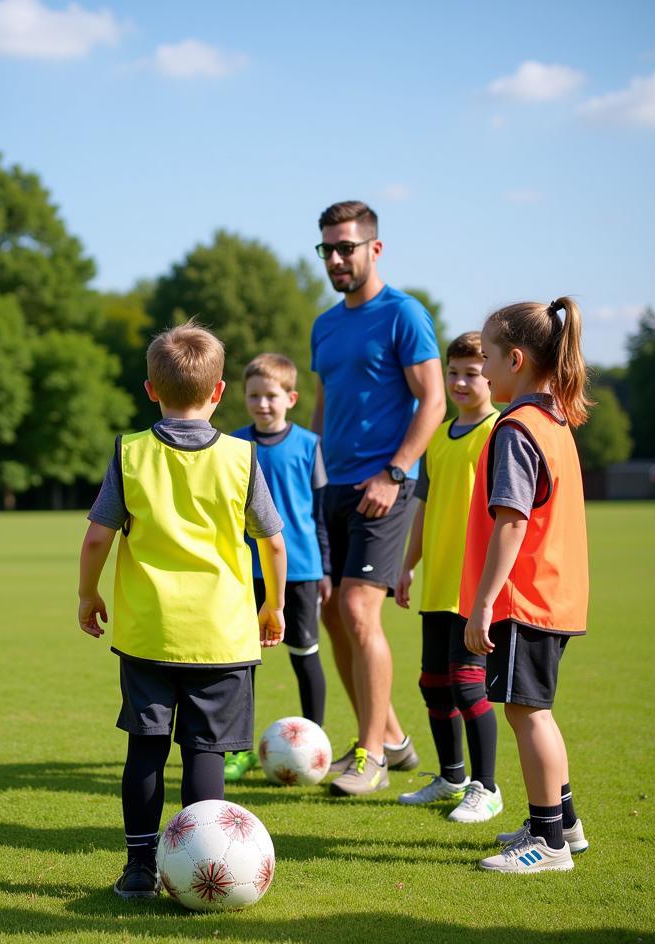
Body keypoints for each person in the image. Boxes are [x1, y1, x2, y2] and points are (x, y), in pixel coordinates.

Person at [78, 322, 287, 900]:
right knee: (204, 751)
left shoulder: (131, 453)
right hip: (222, 635)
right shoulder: (243, 458)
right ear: (219, 392)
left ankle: (140, 869)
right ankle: (199, 869)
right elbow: (272, 541)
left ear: (151, 389)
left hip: (150, 633)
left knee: (145, 749)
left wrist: (87, 594)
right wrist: (274, 605)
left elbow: (97, 538)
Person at [310, 201, 446, 796]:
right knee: (331, 612)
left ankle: (372, 757)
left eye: (347, 248)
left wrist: (394, 473)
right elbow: (322, 407)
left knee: (361, 611)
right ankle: (389, 736)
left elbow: (434, 400)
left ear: (375, 248)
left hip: (384, 486)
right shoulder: (325, 324)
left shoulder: (404, 314)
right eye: (328, 250)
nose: (337, 259)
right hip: (332, 487)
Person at [462, 297, 591, 873]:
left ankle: (549, 845)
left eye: (487, 357)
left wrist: (484, 603)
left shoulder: (517, 428)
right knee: (534, 709)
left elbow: (512, 521)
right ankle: (562, 822)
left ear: (515, 359)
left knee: (525, 712)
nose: (482, 370)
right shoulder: (555, 417)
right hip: (553, 593)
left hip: (523, 596)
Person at [395, 332, 502, 822]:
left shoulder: (500, 432)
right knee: (432, 683)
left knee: (467, 684)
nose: (460, 381)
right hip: (437, 582)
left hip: (476, 585)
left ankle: (487, 787)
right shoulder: (437, 436)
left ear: (491, 376)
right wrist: (407, 563)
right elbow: (423, 507)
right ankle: (451, 776)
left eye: (472, 373)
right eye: (453, 372)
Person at [225, 354, 331, 782]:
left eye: (271, 396)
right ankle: (238, 750)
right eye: (254, 395)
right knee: (240, 662)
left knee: (304, 654)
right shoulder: (233, 445)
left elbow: (319, 514)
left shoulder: (309, 445)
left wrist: (324, 568)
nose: (262, 404)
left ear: (290, 398)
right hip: (243, 570)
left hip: (300, 569)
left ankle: (316, 745)